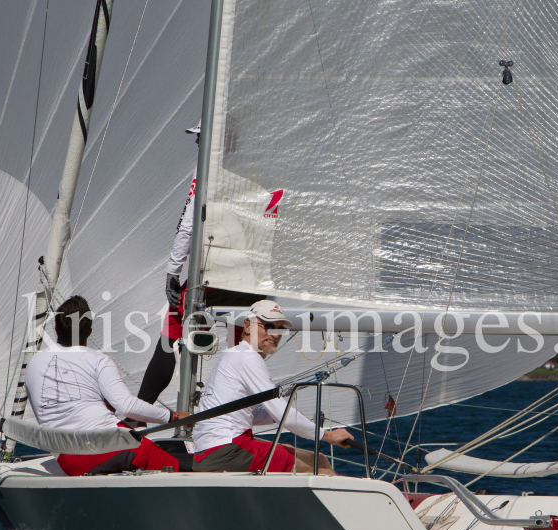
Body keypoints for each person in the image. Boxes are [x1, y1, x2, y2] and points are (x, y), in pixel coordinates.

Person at [136, 121, 262, 406]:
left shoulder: (206, 170)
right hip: (252, 280)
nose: (196, 144)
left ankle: (138, 414)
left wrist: (172, 271)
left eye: (201, 138)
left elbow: (188, 225)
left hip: (215, 278)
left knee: (172, 327)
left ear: (216, 142)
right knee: (240, 343)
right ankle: (236, 413)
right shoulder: (251, 167)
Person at [25, 295, 188, 476]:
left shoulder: (33, 362)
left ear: (56, 327)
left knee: (133, 438)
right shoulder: (98, 360)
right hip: (105, 446)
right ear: (89, 332)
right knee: (173, 466)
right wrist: (173, 417)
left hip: (69, 461)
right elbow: (126, 406)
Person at [191, 300, 352, 473]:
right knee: (319, 463)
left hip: (205, 454)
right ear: (247, 326)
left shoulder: (233, 355)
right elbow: (286, 417)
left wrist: (280, 416)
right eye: (268, 326)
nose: (275, 335)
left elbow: (245, 415)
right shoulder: (249, 358)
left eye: (279, 328)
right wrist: (329, 435)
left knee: (287, 449)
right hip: (228, 451)